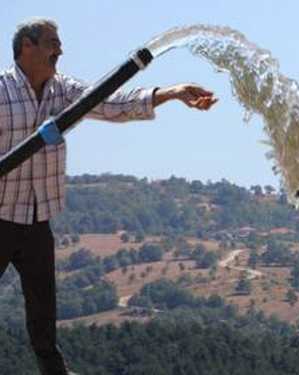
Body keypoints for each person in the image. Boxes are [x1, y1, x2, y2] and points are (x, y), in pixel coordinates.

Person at [0, 18, 217, 375]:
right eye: (53, 43)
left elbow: (112, 103)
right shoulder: (3, 90)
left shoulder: (63, 90)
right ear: (27, 46)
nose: (61, 50)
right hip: (0, 217)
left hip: (37, 221)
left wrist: (173, 93)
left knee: (43, 314)